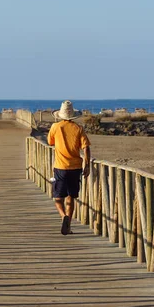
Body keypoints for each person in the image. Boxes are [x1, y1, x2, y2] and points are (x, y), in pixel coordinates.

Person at [47, 100, 91, 235]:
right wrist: (87, 164)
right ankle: (69, 225)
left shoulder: (56, 127)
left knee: (58, 198)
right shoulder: (78, 128)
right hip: (75, 167)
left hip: (60, 166)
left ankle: (63, 216)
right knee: (71, 197)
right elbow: (86, 148)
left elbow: (50, 142)